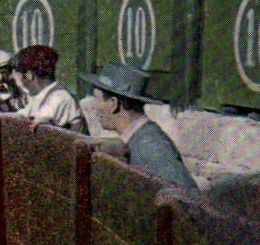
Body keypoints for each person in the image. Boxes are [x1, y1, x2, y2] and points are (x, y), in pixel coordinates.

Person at [80, 62, 196, 190]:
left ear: (113, 104)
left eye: (97, 99)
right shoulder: (139, 139)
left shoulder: (151, 146)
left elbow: (189, 199)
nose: (95, 106)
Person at [11, 45, 89, 134]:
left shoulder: (59, 97)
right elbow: (21, 116)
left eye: (17, 75)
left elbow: (40, 120)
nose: (15, 80)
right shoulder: (41, 96)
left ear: (29, 75)